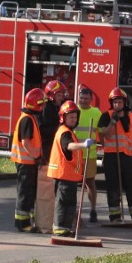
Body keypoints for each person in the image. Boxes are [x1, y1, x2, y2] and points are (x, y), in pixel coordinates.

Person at [47, 101, 96, 237]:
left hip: (69, 176)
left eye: (75, 117)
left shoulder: (68, 131)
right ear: (63, 118)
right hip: (64, 175)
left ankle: (66, 228)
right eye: (71, 117)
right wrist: (83, 144)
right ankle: (60, 227)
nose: (74, 120)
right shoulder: (64, 133)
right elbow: (68, 146)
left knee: (69, 203)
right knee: (63, 203)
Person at [98, 87, 132, 221]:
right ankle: (115, 215)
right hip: (111, 155)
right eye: (115, 102)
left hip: (126, 155)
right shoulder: (106, 115)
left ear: (124, 102)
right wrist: (113, 121)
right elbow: (104, 134)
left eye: (119, 102)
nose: (117, 105)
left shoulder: (130, 116)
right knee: (113, 187)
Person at [11, 89, 47, 232]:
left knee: (29, 192)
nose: (43, 107)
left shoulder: (30, 118)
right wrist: (36, 157)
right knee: (25, 193)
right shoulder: (27, 119)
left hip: (28, 162)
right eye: (42, 104)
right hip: (25, 162)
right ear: (36, 104)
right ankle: (22, 223)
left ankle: (30, 220)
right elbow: (26, 142)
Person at [36, 80, 67, 233]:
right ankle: (45, 223)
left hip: (50, 152)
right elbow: (45, 132)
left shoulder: (53, 108)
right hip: (48, 154)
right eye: (59, 94)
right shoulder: (48, 109)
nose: (61, 97)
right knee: (47, 191)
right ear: (51, 95)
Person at [75, 87, 101, 222]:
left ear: (91, 99)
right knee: (72, 184)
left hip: (89, 155)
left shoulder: (96, 113)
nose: (83, 101)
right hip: (75, 155)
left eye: (86, 98)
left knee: (90, 183)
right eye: (81, 98)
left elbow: (102, 132)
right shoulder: (73, 111)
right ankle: (74, 213)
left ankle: (93, 210)